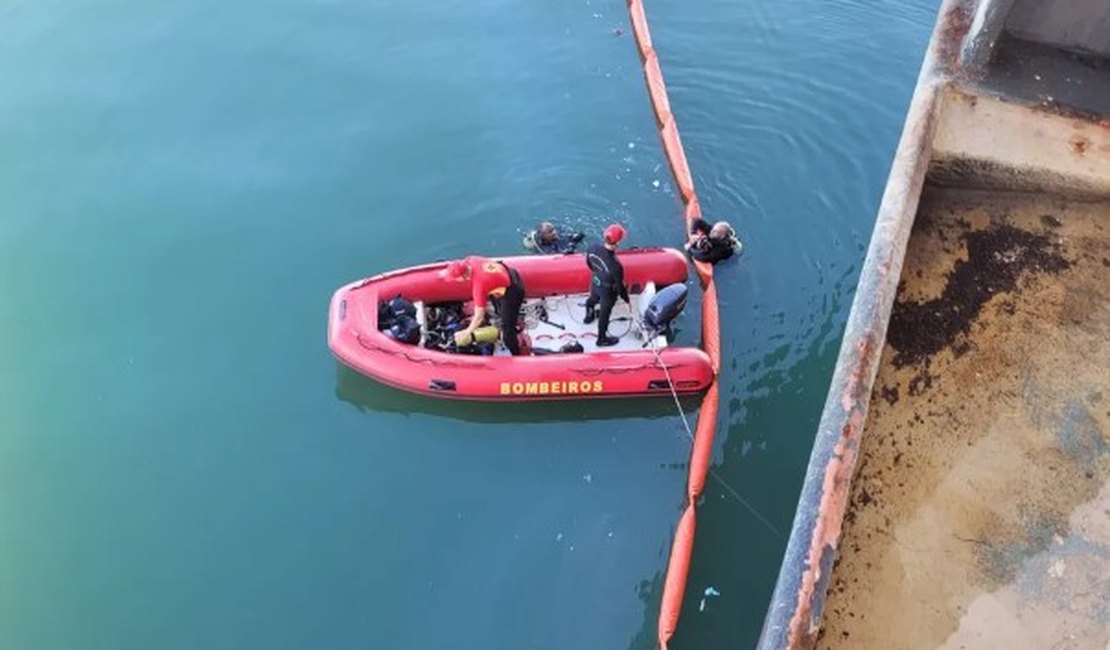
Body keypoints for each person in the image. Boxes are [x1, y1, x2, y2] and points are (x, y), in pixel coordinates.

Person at [440, 256, 526, 355]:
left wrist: (467, 332)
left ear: (463, 276)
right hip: (509, 273)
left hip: (513, 290)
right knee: (499, 310)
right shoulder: (471, 259)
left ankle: (516, 354)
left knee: (508, 332)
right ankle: (506, 318)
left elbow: (479, 316)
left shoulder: (479, 285)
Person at [584, 224, 630, 347]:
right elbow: (620, 287)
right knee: (604, 314)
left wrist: (597, 273)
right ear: (618, 243)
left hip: (596, 280)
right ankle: (601, 339)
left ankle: (588, 315)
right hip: (608, 291)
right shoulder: (616, 265)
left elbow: (589, 263)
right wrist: (626, 299)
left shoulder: (593, 248)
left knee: (592, 299)